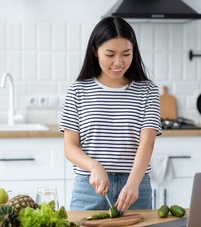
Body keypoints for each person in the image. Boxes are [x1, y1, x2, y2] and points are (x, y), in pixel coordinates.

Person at [60, 16, 162, 213]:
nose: (118, 62)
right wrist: (94, 166)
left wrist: (133, 184)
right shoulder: (77, 91)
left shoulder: (148, 91)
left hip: (135, 186)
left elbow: (147, 143)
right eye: (110, 54)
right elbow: (70, 146)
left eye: (126, 54)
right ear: (95, 51)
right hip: (89, 187)